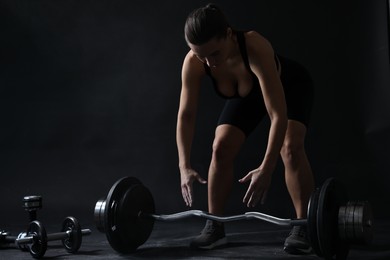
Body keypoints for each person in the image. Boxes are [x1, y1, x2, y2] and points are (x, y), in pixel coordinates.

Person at [176, 3, 315, 255]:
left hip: (289, 88)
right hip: (247, 95)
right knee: (220, 146)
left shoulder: (254, 46)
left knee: (290, 148)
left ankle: (303, 225)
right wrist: (183, 165)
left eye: (215, 54)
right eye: (200, 56)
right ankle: (215, 226)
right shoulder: (194, 62)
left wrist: (266, 167)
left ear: (228, 35)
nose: (209, 63)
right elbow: (186, 116)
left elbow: (277, 114)